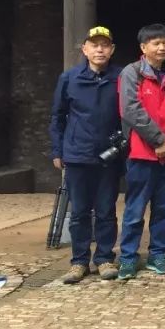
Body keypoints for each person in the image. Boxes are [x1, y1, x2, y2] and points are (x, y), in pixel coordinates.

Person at [49, 25, 122, 284]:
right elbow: (57, 117)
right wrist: (57, 150)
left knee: (106, 210)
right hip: (77, 154)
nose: (99, 49)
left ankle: (104, 258)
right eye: (94, 45)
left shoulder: (120, 78)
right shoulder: (69, 78)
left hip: (109, 156)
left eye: (105, 45)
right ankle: (79, 261)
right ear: (85, 49)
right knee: (79, 211)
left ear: (112, 50)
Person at [116, 24, 165, 280]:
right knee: (135, 208)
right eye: (155, 43)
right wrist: (158, 141)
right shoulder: (132, 73)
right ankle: (128, 257)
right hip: (142, 153)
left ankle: (158, 253)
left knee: (164, 208)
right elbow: (130, 110)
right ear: (143, 48)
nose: (162, 47)